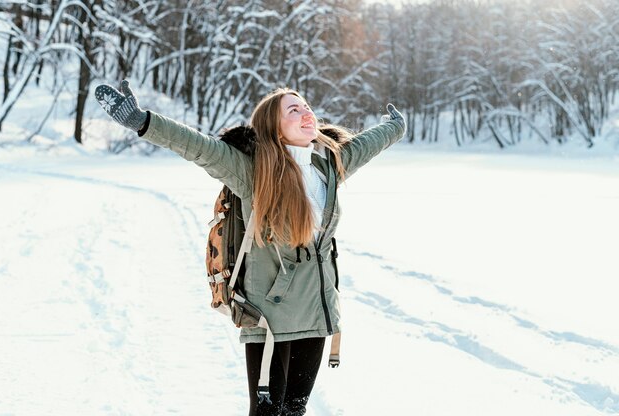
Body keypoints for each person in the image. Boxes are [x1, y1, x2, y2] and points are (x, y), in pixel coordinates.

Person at [95, 80, 406, 415]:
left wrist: (396, 127)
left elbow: (367, 144)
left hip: (316, 312)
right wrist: (143, 122)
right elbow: (197, 146)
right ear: (273, 128)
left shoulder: (327, 164)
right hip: (269, 317)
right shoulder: (252, 170)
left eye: (305, 106)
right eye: (293, 109)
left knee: (295, 410)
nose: (306, 113)